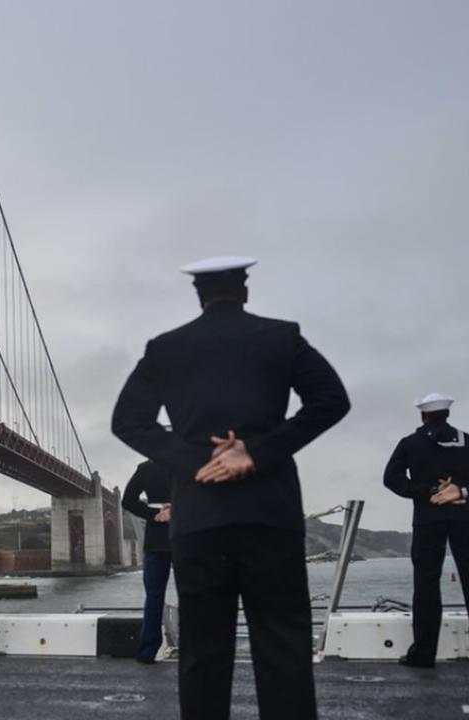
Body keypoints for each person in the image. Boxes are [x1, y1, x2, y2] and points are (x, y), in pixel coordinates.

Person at [112, 256, 350, 720]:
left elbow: (128, 421)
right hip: (271, 513)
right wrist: (254, 454)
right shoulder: (282, 337)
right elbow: (331, 400)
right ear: (245, 291)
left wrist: (197, 461)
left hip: (199, 518)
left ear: (198, 296)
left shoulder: (165, 348)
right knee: (283, 646)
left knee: (202, 651)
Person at [384, 392, 469, 669]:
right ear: (448, 414)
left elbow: (391, 479)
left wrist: (428, 491)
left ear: (423, 415)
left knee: (426, 584)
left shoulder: (410, 444)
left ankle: (422, 654)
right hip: (466, 519)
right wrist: (463, 490)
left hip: (427, 520)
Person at [120, 460, 173, 664]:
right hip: (186, 537)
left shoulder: (147, 468)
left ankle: (147, 652)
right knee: (192, 596)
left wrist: (156, 514)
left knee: (154, 597)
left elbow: (128, 501)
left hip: (156, 541)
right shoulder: (191, 461)